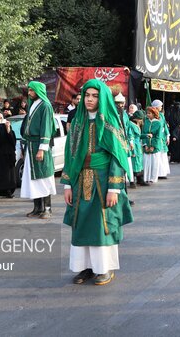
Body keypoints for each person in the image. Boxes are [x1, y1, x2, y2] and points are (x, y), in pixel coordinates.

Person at [62, 79, 133, 286]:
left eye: (94, 95)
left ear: (101, 98)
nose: (90, 99)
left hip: (103, 182)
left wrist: (114, 188)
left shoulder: (110, 122)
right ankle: (84, 268)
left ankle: (104, 268)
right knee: (81, 224)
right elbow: (70, 155)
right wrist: (67, 184)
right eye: (87, 95)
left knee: (102, 225)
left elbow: (118, 158)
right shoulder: (77, 123)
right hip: (79, 179)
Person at [20, 81, 57, 219]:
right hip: (30, 145)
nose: (29, 93)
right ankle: (37, 207)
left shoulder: (45, 106)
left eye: (31, 90)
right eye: (29, 90)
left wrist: (42, 149)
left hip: (40, 145)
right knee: (33, 178)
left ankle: (47, 209)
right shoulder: (32, 105)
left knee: (44, 176)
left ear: (38, 91)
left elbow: (46, 128)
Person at [151, 100, 170, 179]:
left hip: (162, 137)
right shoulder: (152, 115)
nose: (161, 107)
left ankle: (163, 172)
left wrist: (167, 135)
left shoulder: (161, 115)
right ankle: (157, 173)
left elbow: (164, 125)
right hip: (156, 137)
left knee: (163, 155)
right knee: (157, 156)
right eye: (160, 106)